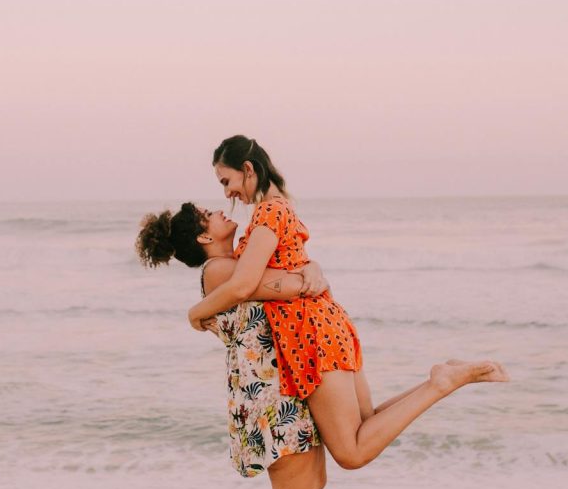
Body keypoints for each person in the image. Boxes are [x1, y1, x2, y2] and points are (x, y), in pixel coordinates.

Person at [187, 135, 510, 471]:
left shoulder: (268, 211)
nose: (227, 193)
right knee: (366, 423)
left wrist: (195, 313)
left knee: (351, 452)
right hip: (326, 323)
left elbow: (242, 285)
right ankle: (443, 378)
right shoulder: (279, 207)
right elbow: (285, 268)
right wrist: (312, 269)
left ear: (248, 169)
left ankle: (441, 383)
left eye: (227, 181)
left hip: (308, 332)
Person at [136, 202, 330, 489]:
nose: (218, 210)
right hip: (270, 396)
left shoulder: (237, 266)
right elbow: (293, 284)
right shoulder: (220, 270)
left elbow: (294, 273)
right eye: (207, 215)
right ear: (204, 237)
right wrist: (310, 272)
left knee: (312, 486)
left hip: (279, 386)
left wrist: (312, 268)